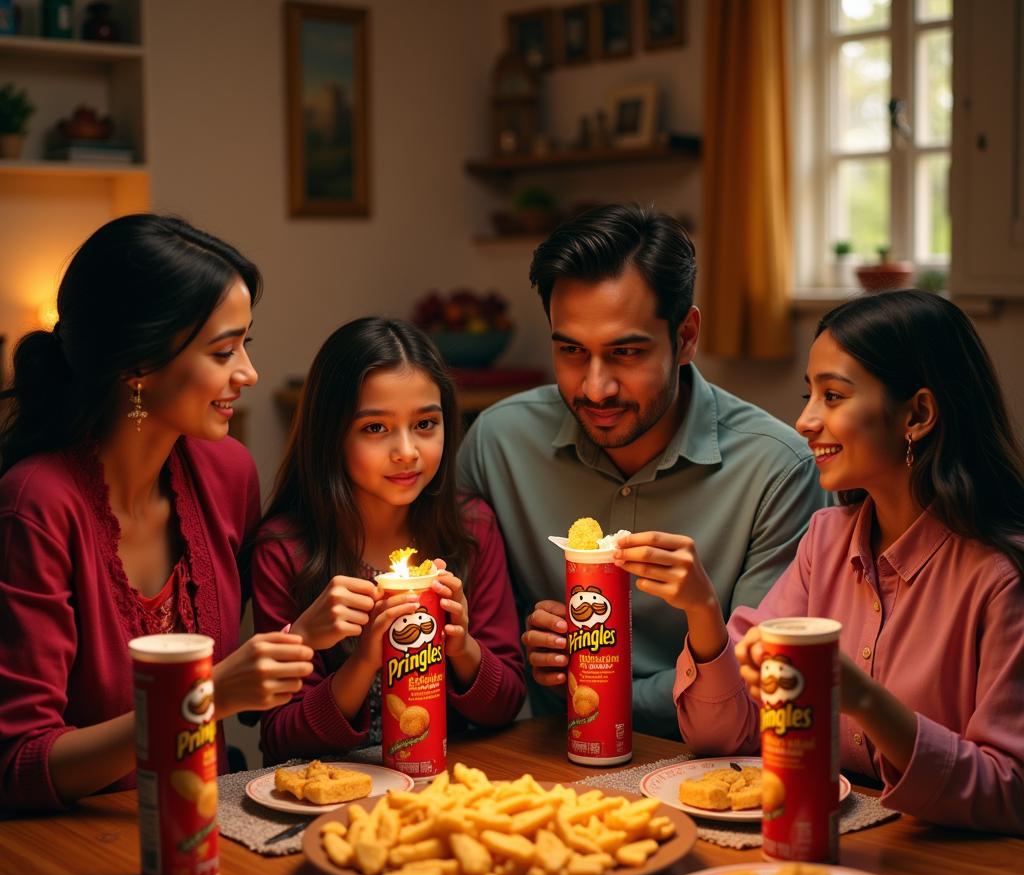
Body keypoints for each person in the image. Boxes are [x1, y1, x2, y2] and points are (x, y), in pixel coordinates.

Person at [642, 289, 1024, 832]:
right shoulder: (825, 541)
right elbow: (725, 736)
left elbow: (1010, 791)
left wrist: (862, 697)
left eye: (834, 396)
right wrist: (702, 611)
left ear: (917, 413)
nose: (804, 421)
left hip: (953, 867)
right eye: (809, 394)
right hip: (823, 840)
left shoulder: (1000, 576)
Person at [458, 204, 825, 737]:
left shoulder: (777, 469)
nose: (595, 387)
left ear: (687, 336)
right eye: (572, 351)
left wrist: (597, 691)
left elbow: (761, 682)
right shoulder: (497, 444)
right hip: (543, 758)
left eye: (625, 352)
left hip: (709, 761)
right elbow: (472, 648)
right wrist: (520, 650)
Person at [0, 214, 315, 811]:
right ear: (137, 366)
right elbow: (19, 765)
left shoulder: (227, 477)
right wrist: (205, 696)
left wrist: (305, 635)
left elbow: (251, 682)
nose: (249, 372)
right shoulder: (35, 506)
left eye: (247, 343)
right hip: (68, 854)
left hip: (207, 826)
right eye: (224, 350)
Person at [251, 318, 525, 763]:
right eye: (375, 428)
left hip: (441, 788)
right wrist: (364, 661)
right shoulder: (285, 548)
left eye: (425, 424)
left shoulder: (471, 528)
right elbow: (282, 737)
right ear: (331, 435)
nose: (406, 451)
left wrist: (462, 647)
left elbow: (506, 704)